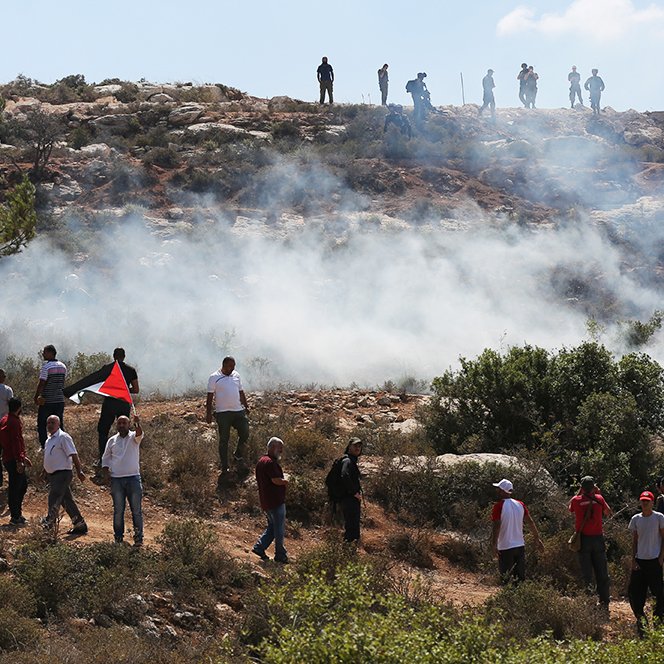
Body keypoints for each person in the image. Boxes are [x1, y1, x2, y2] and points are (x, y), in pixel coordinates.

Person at [65, 348, 139, 468]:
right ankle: (123, 458)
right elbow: (136, 390)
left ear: (113, 356)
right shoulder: (131, 370)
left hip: (110, 403)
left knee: (103, 431)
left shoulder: (108, 368)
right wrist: (124, 390)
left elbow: (93, 379)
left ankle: (103, 460)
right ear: (124, 356)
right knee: (125, 431)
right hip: (124, 403)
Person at [569, 476, 612, 609]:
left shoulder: (576, 500)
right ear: (593, 487)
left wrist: (579, 493)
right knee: (602, 571)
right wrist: (597, 493)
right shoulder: (599, 499)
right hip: (598, 539)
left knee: (587, 573)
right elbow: (608, 512)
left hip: (584, 540)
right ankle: (604, 601)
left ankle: (590, 601)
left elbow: (570, 509)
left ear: (582, 488)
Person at [101, 415, 144, 546]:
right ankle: (118, 539)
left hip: (133, 478)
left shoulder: (134, 437)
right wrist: (105, 473)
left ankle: (138, 538)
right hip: (116, 480)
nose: (121, 425)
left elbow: (140, 434)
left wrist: (137, 424)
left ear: (128, 424)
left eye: (124, 423)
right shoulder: (112, 440)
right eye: (119, 423)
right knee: (118, 511)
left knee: (136, 510)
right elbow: (106, 458)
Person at [491, 478, 543, 583]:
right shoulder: (520, 504)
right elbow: (530, 522)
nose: (497, 491)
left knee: (506, 578)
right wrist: (537, 538)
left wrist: (494, 544)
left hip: (505, 546)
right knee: (519, 579)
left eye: (499, 489)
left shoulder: (498, 506)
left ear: (502, 491)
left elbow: (496, 526)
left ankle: (508, 599)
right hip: (519, 546)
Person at [41, 415, 87, 535]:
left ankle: (49, 525)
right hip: (53, 475)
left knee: (54, 497)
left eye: (52, 422)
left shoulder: (63, 437)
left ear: (58, 424)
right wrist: (44, 471)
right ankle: (80, 524)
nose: (50, 425)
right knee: (66, 500)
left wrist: (79, 471)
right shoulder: (49, 440)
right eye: (48, 423)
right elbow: (49, 457)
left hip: (62, 474)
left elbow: (74, 454)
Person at [628, 491, 664, 635]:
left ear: (652, 502)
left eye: (647, 501)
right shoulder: (636, 519)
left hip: (654, 561)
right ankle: (642, 626)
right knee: (635, 594)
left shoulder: (659, 518)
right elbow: (635, 540)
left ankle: (658, 623)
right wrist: (633, 559)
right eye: (643, 501)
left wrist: (661, 557)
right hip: (640, 561)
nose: (644, 503)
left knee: (659, 594)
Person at [206, 356, 250, 473]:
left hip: (238, 411)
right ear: (224, 365)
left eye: (234, 366)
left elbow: (241, 391)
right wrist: (208, 413)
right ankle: (225, 466)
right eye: (230, 366)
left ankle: (238, 454)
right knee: (224, 440)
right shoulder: (214, 377)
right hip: (223, 413)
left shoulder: (236, 375)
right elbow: (209, 397)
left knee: (245, 431)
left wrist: (246, 406)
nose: (232, 368)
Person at [253, 436, 289, 563]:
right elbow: (276, 480)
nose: (281, 451)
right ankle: (280, 554)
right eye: (280, 448)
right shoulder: (270, 463)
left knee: (273, 527)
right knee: (278, 529)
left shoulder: (262, 461)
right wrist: (287, 482)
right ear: (272, 447)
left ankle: (259, 547)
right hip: (275, 501)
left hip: (266, 500)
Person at [0, 397, 32, 525]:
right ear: (19, 408)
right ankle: (15, 516)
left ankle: (17, 513)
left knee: (21, 485)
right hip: (13, 458)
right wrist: (20, 460)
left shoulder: (4, 420)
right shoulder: (14, 422)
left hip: (9, 457)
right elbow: (16, 442)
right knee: (17, 487)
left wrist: (23, 457)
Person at [34, 344, 67, 449]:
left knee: (42, 423)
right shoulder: (63, 366)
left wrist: (36, 396)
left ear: (51, 353)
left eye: (45, 352)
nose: (43, 354)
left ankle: (44, 445)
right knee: (58, 423)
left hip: (47, 401)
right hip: (59, 400)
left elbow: (42, 383)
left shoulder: (46, 367)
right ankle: (61, 444)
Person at [340, 437, 363, 542]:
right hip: (349, 499)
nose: (358, 448)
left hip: (350, 499)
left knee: (353, 527)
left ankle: (349, 553)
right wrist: (354, 492)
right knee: (351, 529)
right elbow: (344, 475)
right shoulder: (348, 461)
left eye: (359, 446)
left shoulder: (351, 460)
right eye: (355, 446)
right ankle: (348, 554)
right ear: (349, 447)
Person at [0, 369, 13, 486]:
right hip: (5, 424)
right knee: (8, 451)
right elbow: (12, 405)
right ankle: (11, 478)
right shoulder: (7, 390)